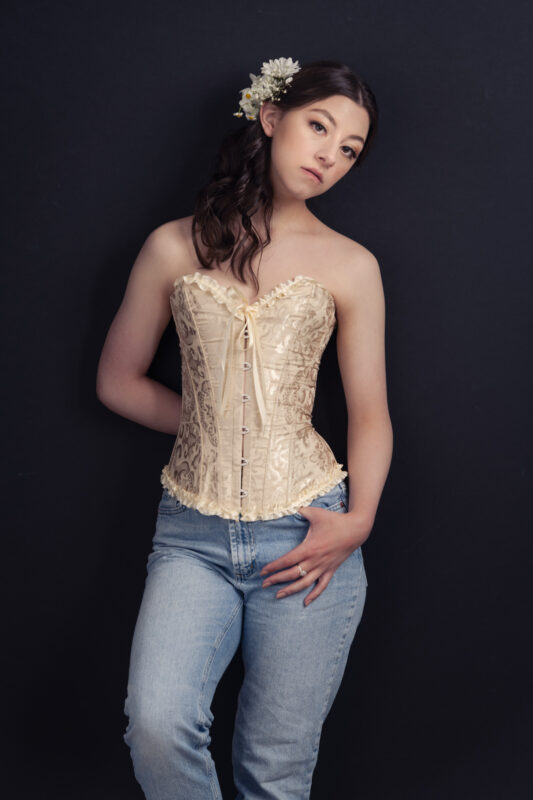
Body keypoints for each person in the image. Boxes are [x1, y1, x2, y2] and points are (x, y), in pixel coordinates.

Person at [96, 56, 393, 800]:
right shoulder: (175, 245)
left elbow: (370, 416)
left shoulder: (351, 266)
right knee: (158, 727)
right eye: (318, 125)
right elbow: (118, 382)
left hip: (306, 536)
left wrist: (356, 522)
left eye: (350, 148)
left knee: (275, 770)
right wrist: (208, 426)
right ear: (270, 117)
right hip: (189, 536)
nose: (329, 154)